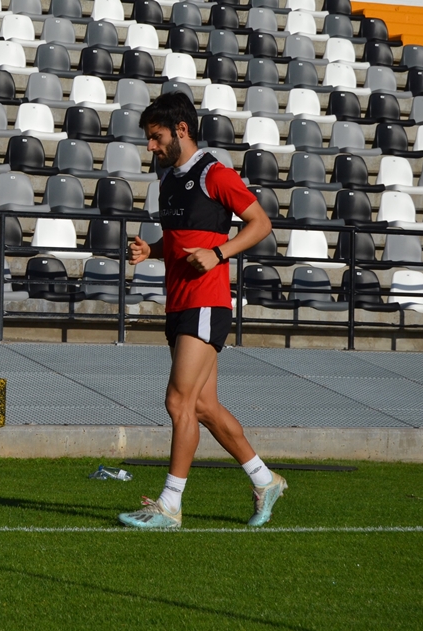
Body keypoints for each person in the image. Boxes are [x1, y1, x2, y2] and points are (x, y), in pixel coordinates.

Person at [119, 92, 287, 529]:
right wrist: (151, 250)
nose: (150, 147)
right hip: (179, 302)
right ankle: (265, 479)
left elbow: (261, 223)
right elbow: (180, 242)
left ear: (181, 130)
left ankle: (170, 505)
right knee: (205, 406)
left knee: (178, 401)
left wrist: (219, 252)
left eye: (156, 138)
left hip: (207, 302)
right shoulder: (169, 179)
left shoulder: (215, 173)